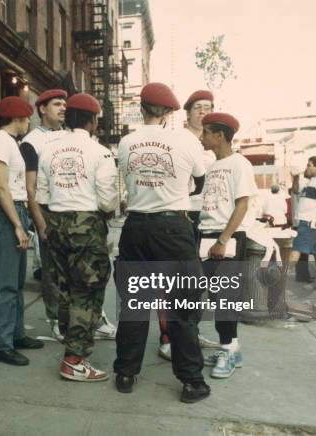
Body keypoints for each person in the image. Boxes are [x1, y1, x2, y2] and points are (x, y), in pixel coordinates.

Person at [113, 83, 210, 402]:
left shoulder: (126, 143)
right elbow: (199, 180)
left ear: (142, 109)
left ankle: (126, 372)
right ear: (170, 113)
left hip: (136, 226)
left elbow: (127, 179)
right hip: (172, 228)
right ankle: (191, 381)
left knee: (135, 305)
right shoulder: (185, 140)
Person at [37, 93, 118, 382]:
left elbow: (41, 195)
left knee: (66, 288)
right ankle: (74, 359)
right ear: (93, 120)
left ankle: (70, 340)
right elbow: (109, 201)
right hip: (87, 224)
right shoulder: (100, 152)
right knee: (88, 290)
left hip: (56, 223)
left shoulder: (49, 150)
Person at [158, 90, 218, 361]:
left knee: (196, 283)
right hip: (182, 216)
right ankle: (168, 337)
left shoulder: (215, 143)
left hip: (208, 219)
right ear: (188, 112)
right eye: (198, 107)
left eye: (208, 107)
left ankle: (190, 332)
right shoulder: (179, 140)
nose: (203, 111)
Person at [0, 96, 44, 366]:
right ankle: (1, 343)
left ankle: (16, 334)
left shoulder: (11, 143)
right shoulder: (0, 142)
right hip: (7, 213)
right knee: (5, 284)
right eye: (27, 117)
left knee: (16, 282)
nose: (29, 122)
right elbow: (1, 187)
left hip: (16, 211)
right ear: (17, 118)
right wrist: (18, 224)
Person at [199, 112, 257, 380]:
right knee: (215, 297)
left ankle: (228, 351)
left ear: (219, 135)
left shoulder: (239, 164)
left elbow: (242, 205)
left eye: (206, 132)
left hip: (227, 238)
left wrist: (223, 239)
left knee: (224, 298)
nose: (202, 137)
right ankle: (232, 348)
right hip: (207, 235)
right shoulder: (212, 166)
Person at [20, 89, 68, 341]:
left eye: (64, 104)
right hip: (47, 210)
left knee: (75, 268)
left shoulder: (70, 137)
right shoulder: (32, 141)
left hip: (73, 208)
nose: (63, 107)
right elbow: (30, 187)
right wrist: (40, 223)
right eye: (56, 104)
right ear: (41, 109)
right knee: (52, 270)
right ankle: (56, 319)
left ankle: (78, 316)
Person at [287, 156, 316, 292]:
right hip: (309, 222)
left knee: (296, 249)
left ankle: (281, 281)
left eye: (309, 165)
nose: (306, 168)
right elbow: (295, 191)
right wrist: (295, 178)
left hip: (308, 222)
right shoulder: (311, 181)